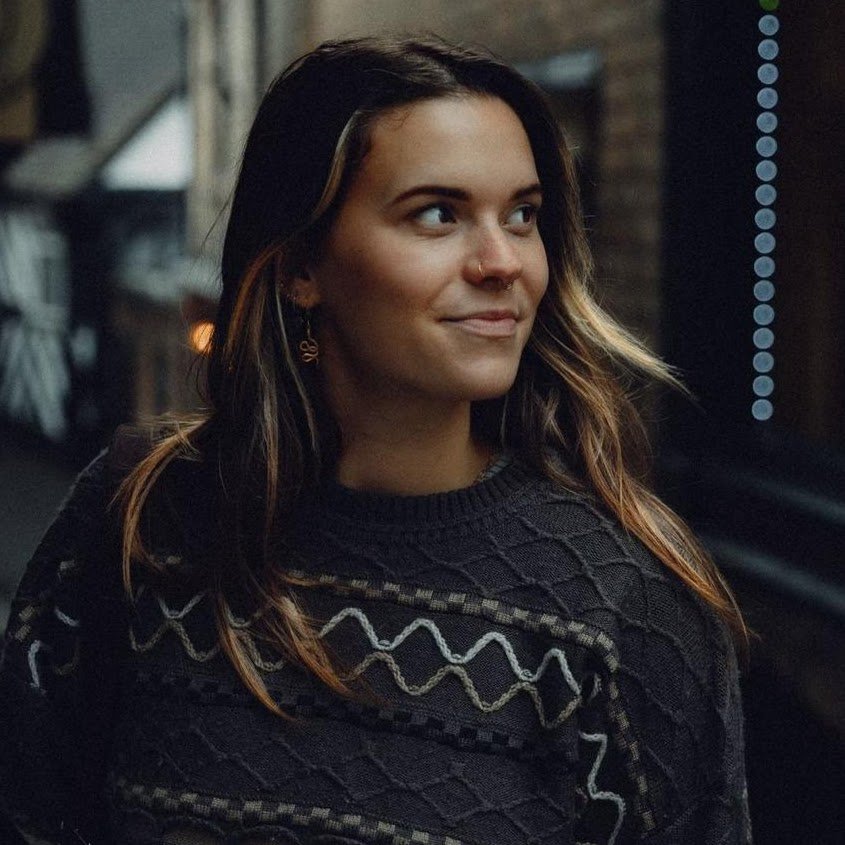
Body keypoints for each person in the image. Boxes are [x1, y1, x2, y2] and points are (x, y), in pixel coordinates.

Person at [0, 36, 751, 845]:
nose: (503, 262)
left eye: (522, 215)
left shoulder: (622, 604)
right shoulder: (140, 524)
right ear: (299, 267)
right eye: (438, 213)